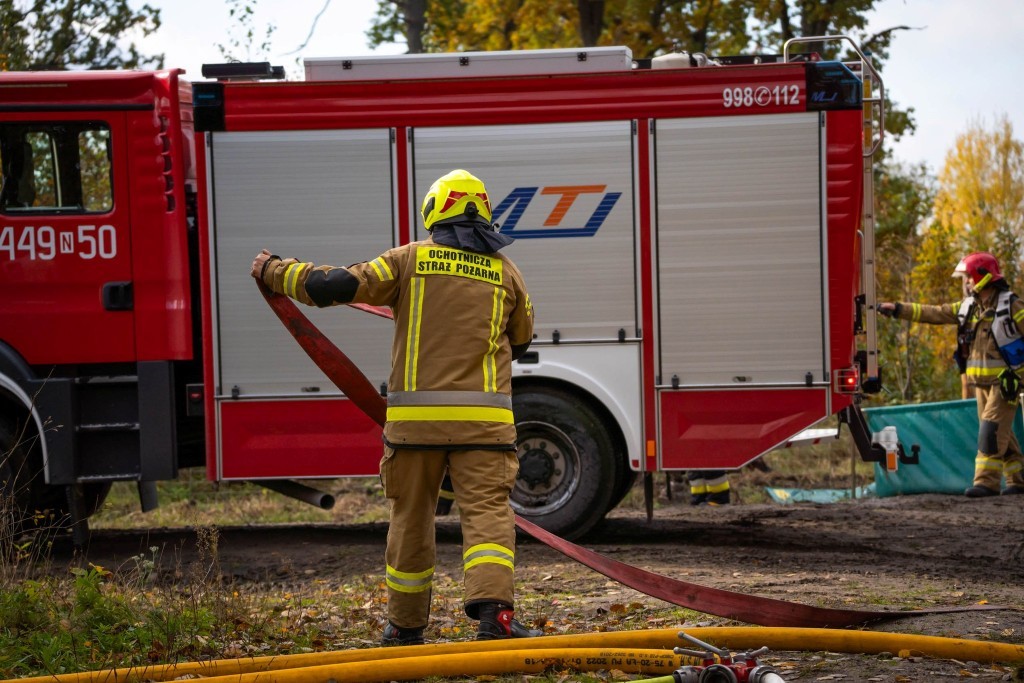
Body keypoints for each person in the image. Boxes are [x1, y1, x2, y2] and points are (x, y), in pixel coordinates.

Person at [251, 169, 540, 644]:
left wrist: (275, 271)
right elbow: (522, 340)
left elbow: (332, 285)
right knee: (488, 517)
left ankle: (404, 630)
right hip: (484, 429)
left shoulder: (407, 261)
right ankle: (496, 620)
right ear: (484, 214)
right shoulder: (507, 272)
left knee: (411, 521)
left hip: (414, 429)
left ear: (434, 212)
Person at [879, 251, 1024, 498]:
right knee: (1003, 433)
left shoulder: (1011, 305)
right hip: (981, 383)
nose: (965, 282)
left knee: (990, 431)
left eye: (968, 277)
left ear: (982, 277)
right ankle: (1018, 480)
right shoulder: (969, 307)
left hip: (1005, 384)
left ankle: (986, 483)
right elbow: (934, 312)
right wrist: (898, 309)